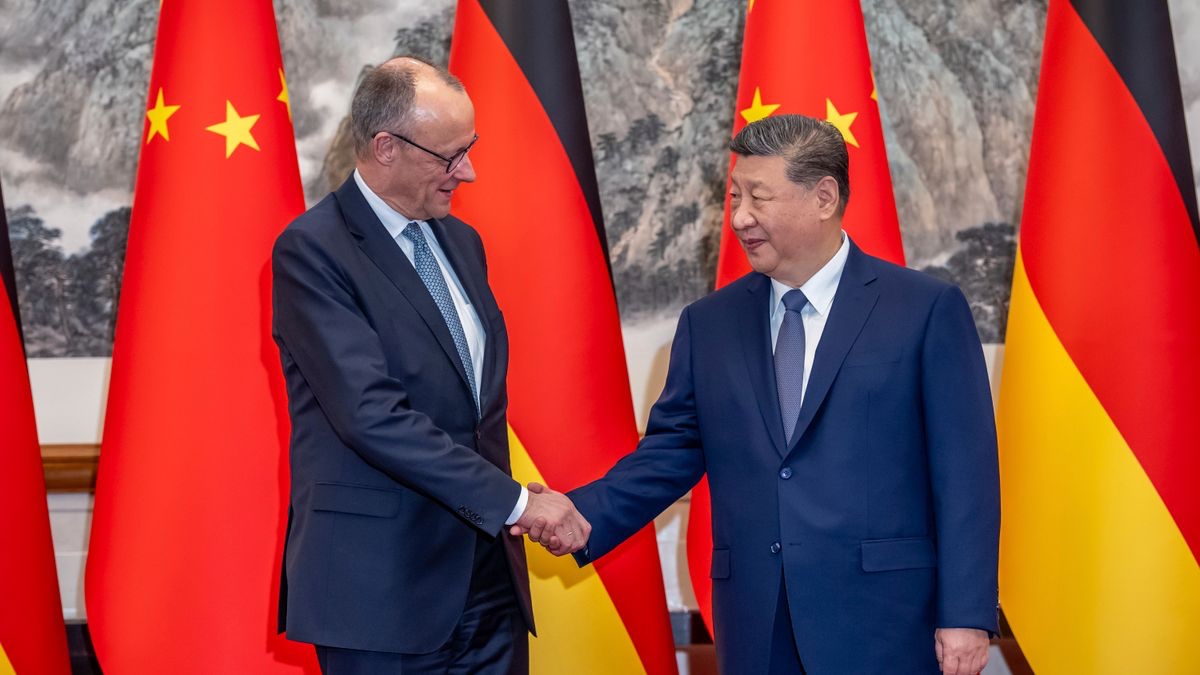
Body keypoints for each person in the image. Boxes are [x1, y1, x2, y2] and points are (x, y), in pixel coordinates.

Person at [541, 114, 1000, 674]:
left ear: (824, 197)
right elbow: (670, 453)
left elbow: (966, 474)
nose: (739, 218)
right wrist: (582, 514)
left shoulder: (924, 310)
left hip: (886, 619)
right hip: (757, 621)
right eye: (735, 197)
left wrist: (965, 614)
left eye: (758, 197)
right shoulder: (709, 323)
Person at [271, 56, 588, 674]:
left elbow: (473, 409)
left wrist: (509, 506)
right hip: (381, 590)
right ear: (385, 147)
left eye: (469, 149)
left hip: (488, 580)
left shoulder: (462, 242)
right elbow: (371, 416)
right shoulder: (313, 251)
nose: (467, 171)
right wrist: (517, 504)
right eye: (450, 156)